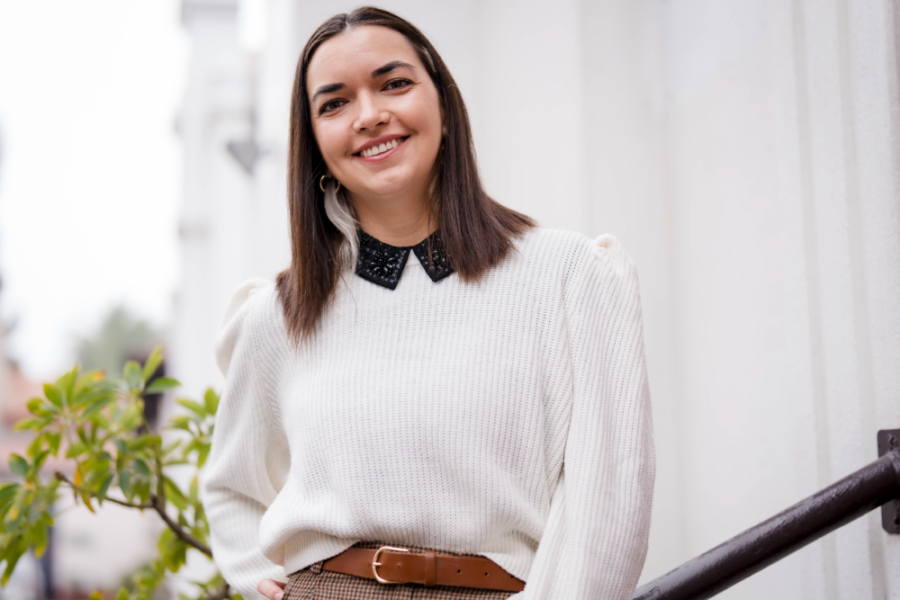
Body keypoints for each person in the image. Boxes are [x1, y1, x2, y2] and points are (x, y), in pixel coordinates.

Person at [200, 6, 655, 600]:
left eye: (394, 83)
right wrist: (254, 574)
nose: (369, 115)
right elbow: (232, 484)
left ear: (442, 101)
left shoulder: (569, 277)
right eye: (333, 103)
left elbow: (610, 499)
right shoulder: (279, 314)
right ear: (312, 140)